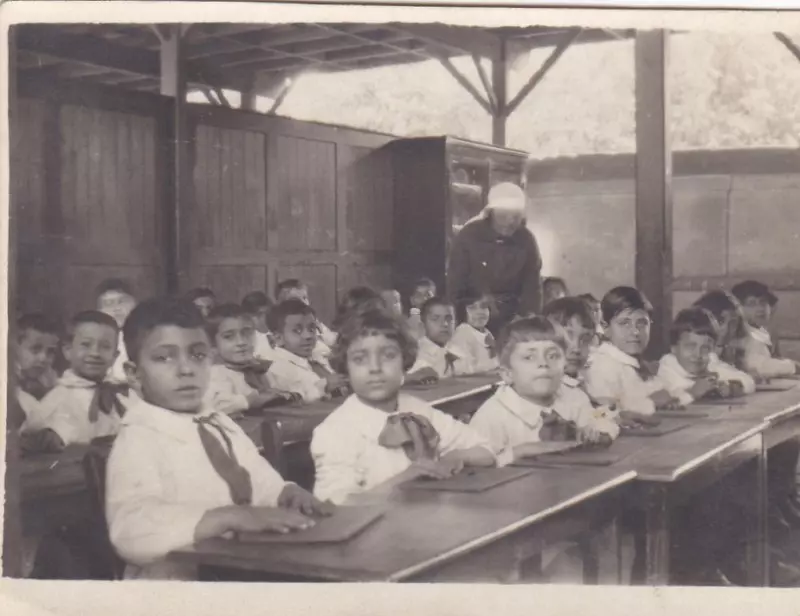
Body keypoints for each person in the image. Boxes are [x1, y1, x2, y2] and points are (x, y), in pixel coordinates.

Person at [105, 297, 331, 580]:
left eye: (198, 355)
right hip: (177, 584)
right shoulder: (138, 438)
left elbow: (259, 478)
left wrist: (285, 493)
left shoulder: (218, 421)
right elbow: (130, 529)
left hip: (241, 565)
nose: (186, 369)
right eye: (164, 358)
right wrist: (226, 517)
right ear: (134, 375)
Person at [310, 308, 496, 505]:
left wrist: (456, 456)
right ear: (345, 369)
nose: (375, 368)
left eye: (388, 356)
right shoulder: (333, 433)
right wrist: (402, 480)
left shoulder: (419, 409)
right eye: (360, 359)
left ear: (405, 361)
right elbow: (335, 509)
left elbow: (487, 450)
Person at [470, 316, 618, 467]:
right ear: (507, 373)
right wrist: (517, 452)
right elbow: (476, 468)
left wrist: (597, 432)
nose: (544, 363)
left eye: (553, 356)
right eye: (529, 357)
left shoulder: (574, 397)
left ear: (564, 364)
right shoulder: (491, 417)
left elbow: (604, 420)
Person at [447, 182, 542, 334]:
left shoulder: (526, 240)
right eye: (503, 215)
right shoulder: (469, 236)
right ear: (491, 212)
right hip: (473, 318)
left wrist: (526, 319)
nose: (510, 222)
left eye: (516, 216)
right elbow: (455, 285)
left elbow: (533, 287)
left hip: (514, 319)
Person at [26, 311, 128, 450]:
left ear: (115, 356)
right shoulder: (58, 401)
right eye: (86, 345)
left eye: (105, 346)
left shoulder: (121, 396)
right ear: (68, 351)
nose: (95, 353)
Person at [585, 286, 679, 417]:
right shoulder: (601, 366)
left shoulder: (635, 363)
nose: (635, 332)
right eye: (624, 323)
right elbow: (603, 413)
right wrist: (651, 402)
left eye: (642, 323)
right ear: (605, 328)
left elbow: (661, 394)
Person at [203, 304, 295, 415]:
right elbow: (216, 405)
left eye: (247, 333)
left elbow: (289, 384)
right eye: (229, 337)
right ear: (213, 345)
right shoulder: (217, 374)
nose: (241, 342)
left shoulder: (259, 368)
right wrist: (249, 400)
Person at [657, 307, 754, 406]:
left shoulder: (710, 362)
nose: (698, 354)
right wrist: (693, 392)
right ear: (674, 348)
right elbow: (668, 397)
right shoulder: (665, 368)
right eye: (690, 346)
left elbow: (748, 381)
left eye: (705, 348)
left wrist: (731, 388)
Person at [266, 299, 349, 402]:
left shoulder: (317, 357)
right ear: (278, 338)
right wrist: (324, 386)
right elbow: (297, 398)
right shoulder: (278, 368)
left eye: (311, 329)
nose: (308, 336)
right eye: (297, 331)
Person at [731, 280, 800, 379]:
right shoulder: (741, 334)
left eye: (763, 302)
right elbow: (759, 366)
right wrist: (792, 366)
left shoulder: (763, 332)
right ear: (738, 309)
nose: (760, 309)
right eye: (751, 304)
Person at [15, 313, 60, 431]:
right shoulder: (9, 382)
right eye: (35, 349)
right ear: (15, 348)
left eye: (50, 352)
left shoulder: (51, 381)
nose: (43, 358)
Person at [275, 278, 337, 354]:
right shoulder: (280, 327)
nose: (303, 302)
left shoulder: (314, 322)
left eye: (304, 298)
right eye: (295, 299)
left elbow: (333, 340)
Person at [416, 297, 472, 378]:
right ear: (423, 325)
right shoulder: (416, 356)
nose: (445, 324)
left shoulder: (459, 353)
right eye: (435, 319)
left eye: (449, 319)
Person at [96, 278, 136, 385]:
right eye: (108, 304)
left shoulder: (145, 336)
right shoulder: (97, 340)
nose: (116, 308)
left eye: (122, 302)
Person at [448, 293, 499, 374]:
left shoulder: (486, 332)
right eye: (472, 308)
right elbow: (463, 370)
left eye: (484, 307)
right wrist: (497, 362)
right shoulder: (463, 332)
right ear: (462, 311)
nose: (480, 312)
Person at [241, 291, 274, 361]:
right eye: (259, 315)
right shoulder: (246, 340)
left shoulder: (277, 335)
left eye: (267, 313)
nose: (264, 318)